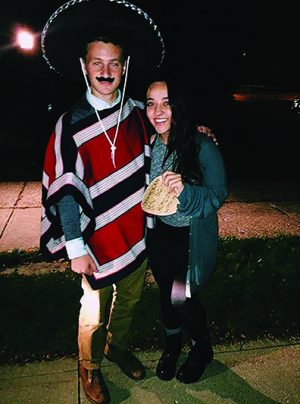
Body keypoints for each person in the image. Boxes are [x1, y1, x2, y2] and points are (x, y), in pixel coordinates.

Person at [40, 2, 216, 403]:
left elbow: (170, 125)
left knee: (130, 300)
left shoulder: (137, 114)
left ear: (125, 67)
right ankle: (90, 367)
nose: (106, 70)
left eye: (114, 63)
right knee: (94, 311)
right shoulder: (70, 125)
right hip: (93, 243)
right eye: (97, 62)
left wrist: (201, 131)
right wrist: (75, 247)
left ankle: (116, 347)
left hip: (136, 236)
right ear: (84, 66)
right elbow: (65, 189)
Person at [144, 76, 228, 384]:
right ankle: (172, 345)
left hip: (188, 240)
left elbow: (218, 194)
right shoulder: (148, 145)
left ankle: (201, 347)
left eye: (166, 103)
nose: (158, 111)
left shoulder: (201, 145)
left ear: (178, 106)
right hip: (158, 237)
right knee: (166, 296)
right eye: (151, 103)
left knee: (182, 297)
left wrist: (187, 192)